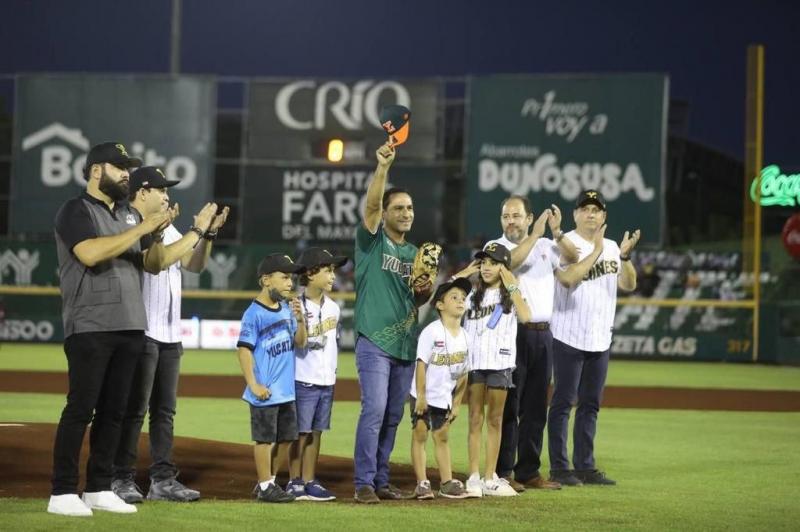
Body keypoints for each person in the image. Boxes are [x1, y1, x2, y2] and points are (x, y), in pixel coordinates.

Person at [48, 142, 172, 517]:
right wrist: (142, 229)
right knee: (81, 408)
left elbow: (152, 266)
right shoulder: (75, 209)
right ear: (96, 170)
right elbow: (89, 253)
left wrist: (158, 232)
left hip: (131, 322)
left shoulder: (127, 214)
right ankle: (63, 490)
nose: (127, 174)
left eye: (128, 168)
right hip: (90, 323)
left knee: (115, 412)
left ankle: (99, 486)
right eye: (120, 167)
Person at [111, 166, 229, 504]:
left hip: (169, 334)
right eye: (161, 189)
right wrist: (196, 229)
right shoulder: (132, 224)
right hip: (142, 332)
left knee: (164, 412)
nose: (167, 195)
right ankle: (121, 478)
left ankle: (162, 480)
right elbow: (158, 262)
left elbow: (194, 265)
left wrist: (206, 236)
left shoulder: (168, 226)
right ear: (143, 192)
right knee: (134, 411)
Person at [352, 142, 433, 504]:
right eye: (398, 207)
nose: (406, 213)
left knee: (391, 417)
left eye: (410, 208)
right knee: (373, 409)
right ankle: (364, 483)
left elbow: (418, 299)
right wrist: (382, 168)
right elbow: (370, 205)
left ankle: (382, 480)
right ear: (384, 214)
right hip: (374, 341)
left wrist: (425, 288)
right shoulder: (372, 241)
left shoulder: (416, 254)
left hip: (405, 342)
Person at [548, 190, 640, 486]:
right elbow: (568, 278)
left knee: (590, 405)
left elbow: (628, 284)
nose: (591, 214)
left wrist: (623, 256)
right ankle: (560, 468)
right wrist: (597, 251)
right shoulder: (564, 243)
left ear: (604, 216)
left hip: (600, 338)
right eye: (585, 209)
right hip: (568, 335)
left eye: (596, 210)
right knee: (563, 403)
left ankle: (585, 466)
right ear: (575, 214)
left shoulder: (613, 247)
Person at [487, 195, 577, 492]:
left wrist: (557, 233)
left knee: (536, 406)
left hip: (543, 333)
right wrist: (537, 234)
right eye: (505, 216)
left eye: (516, 215)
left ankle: (529, 471)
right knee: (510, 405)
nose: (510, 220)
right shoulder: (495, 248)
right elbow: (511, 261)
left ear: (529, 217)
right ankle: (502, 471)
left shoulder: (545, 246)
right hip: (510, 333)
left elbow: (573, 257)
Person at [454, 243, 530, 498]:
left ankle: (490, 476)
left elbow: (527, 316)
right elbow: (441, 299)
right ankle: (474, 475)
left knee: (495, 419)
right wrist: (464, 273)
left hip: (500, 362)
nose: (486, 267)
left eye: (493, 263)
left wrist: (511, 282)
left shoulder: (510, 294)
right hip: (475, 363)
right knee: (475, 418)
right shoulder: (472, 293)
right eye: (483, 262)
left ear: (503, 268)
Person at [236, 254, 307, 503]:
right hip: (265, 389)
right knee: (265, 439)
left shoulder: (287, 309)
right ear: (266, 280)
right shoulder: (253, 313)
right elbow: (243, 349)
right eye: (285, 277)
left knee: (287, 437)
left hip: (286, 389)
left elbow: (300, 342)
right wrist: (253, 384)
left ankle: (269, 481)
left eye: (292, 278)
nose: (291, 283)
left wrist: (300, 319)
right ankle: (266, 486)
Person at [284, 247, 348, 502]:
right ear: (310, 273)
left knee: (317, 431)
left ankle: (310, 480)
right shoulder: (294, 305)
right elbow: (295, 343)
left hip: (326, 380)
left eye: (333, 270)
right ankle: (294, 480)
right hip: (303, 378)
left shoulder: (333, 308)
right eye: (328, 270)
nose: (333, 275)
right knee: (300, 433)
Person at [410, 278, 472, 500]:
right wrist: (421, 396)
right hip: (424, 395)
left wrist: (456, 403)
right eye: (454, 297)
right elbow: (421, 364)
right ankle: (422, 483)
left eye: (463, 298)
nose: (460, 301)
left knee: (442, 436)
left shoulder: (465, 336)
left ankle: (446, 482)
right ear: (439, 305)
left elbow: (464, 372)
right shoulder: (431, 332)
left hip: (445, 396)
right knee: (420, 434)